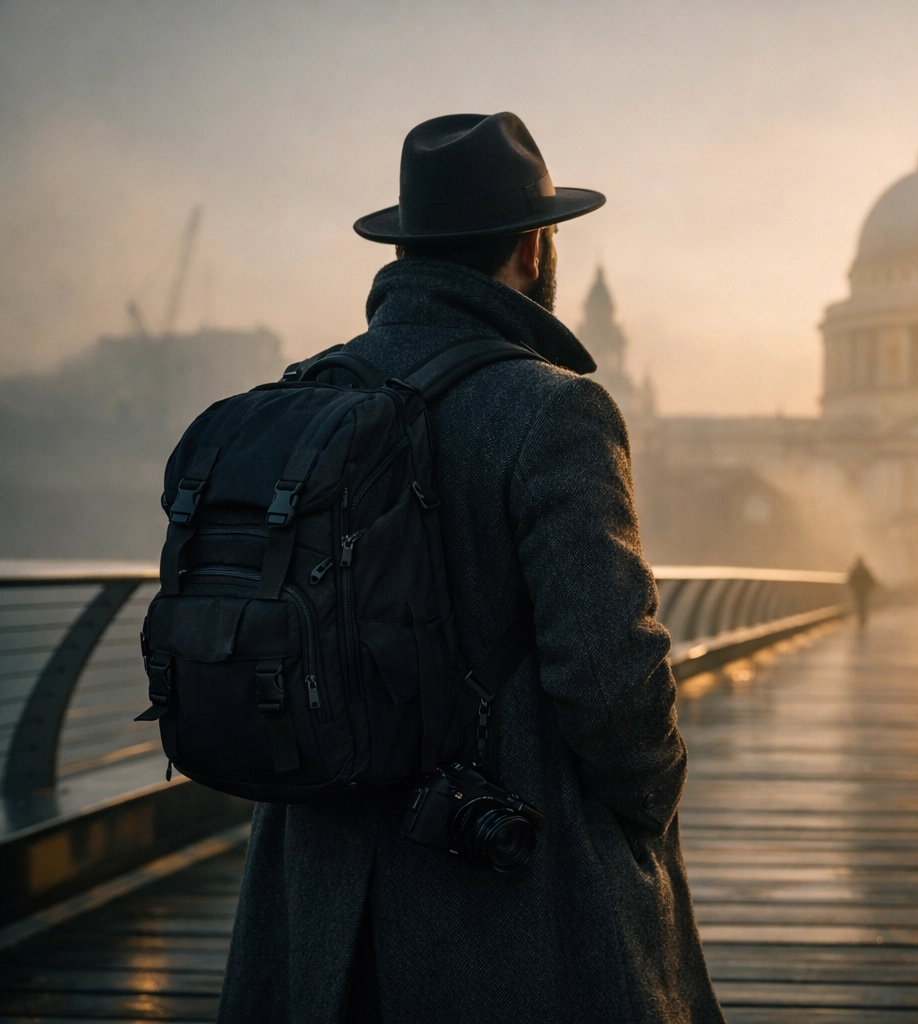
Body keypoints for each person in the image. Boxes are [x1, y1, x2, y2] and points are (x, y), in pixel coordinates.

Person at [218, 113, 725, 1022]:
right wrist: (648, 808)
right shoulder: (555, 410)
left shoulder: (306, 394)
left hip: (317, 880)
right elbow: (610, 681)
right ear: (534, 249)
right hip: (501, 880)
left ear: (407, 249)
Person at [846, 555, 876, 628]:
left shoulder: (855, 570)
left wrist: (852, 587)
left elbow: (850, 580)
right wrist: (870, 588)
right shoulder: (865, 570)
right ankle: (863, 617)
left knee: (859, 604)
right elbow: (871, 580)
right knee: (863, 604)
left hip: (857, 590)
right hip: (864, 591)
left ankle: (861, 617)